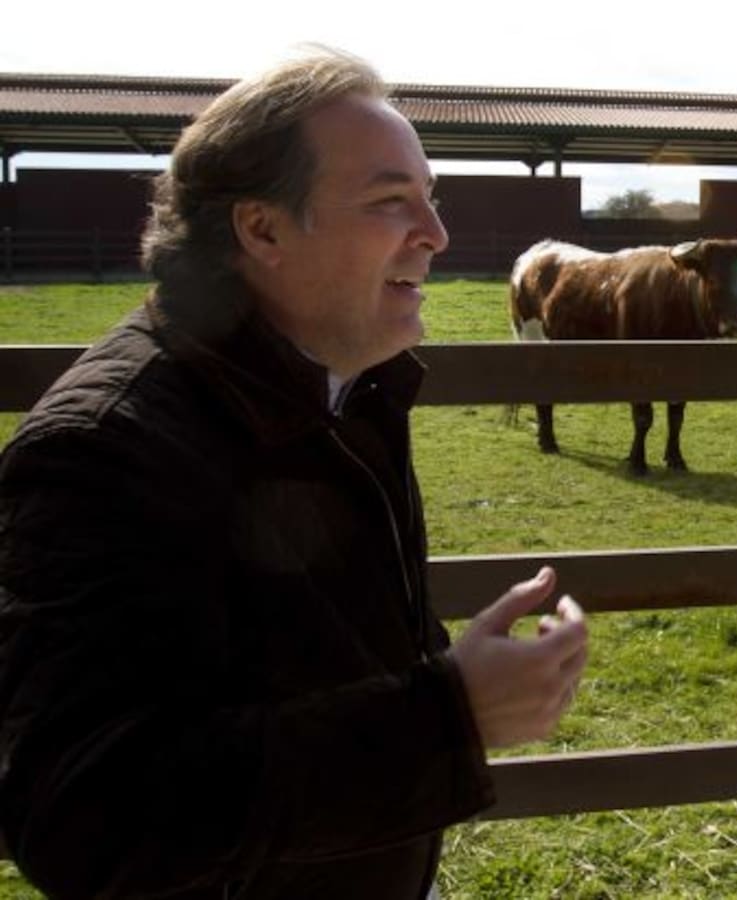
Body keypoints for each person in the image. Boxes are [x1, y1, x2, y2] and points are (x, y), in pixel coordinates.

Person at [0, 47, 588, 900]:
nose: (436, 233)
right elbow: (82, 817)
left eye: (431, 197)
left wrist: (447, 686)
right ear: (263, 229)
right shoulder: (103, 450)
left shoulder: (346, 385)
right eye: (390, 200)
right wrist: (446, 716)